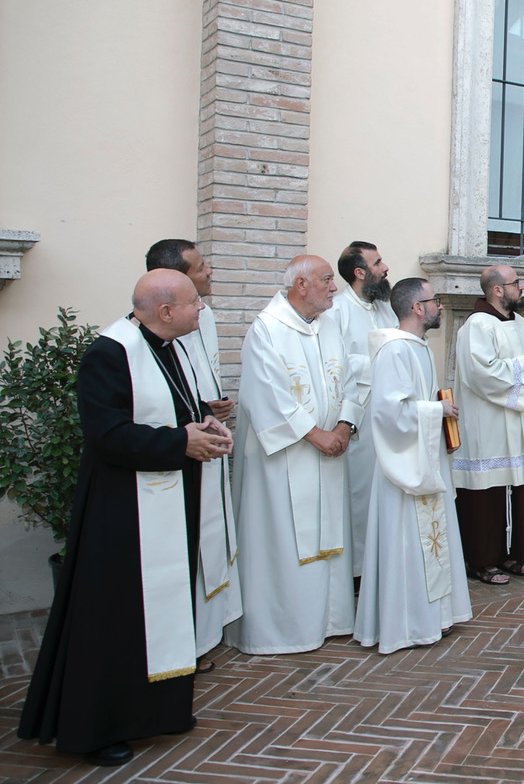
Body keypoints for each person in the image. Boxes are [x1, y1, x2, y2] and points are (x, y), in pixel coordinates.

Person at [18, 270, 233, 767]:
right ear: (165, 311)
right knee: (114, 618)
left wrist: (201, 421)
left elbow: (169, 409)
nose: (201, 308)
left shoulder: (169, 347)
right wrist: (181, 441)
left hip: (165, 501)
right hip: (121, 512)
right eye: (193, 302)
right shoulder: (110, 353)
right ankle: (97, 729)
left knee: (159, 613)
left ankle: (157, 711)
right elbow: (106, 434)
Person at [225, 255, 364, 655]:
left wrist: (344, 427)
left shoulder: (330, 324)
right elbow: (264, 395)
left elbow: (352, 380)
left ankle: (331, 620)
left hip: (330, 452)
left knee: (328, 536)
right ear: (301, 285)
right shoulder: (267, 328)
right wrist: (316, 435)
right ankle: (282, 630)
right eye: (326, 279)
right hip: (284, 461)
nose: (334, 287)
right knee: (283, 541)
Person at [354, 278, 473, 652]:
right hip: (404, 469)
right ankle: (406, 626)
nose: (440, 306)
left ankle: (434, 617)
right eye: (434, 300)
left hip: (425, 458)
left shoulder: (418, 347)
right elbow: (389, 413)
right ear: (418, 308)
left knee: (432, 541)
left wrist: (439, 416)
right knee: (406, 543)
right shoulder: (394, 350)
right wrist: (438, 410)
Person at [144, 239, 242, 668]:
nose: (209, 272)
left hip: (204, 440)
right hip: (173, 457)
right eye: (201, 267)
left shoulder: (205, 314)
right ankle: (183, 643)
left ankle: (206, 633)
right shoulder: (141, 339)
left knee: (210, 540)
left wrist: (209, 407)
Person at [451, 265, 524, 585]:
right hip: (488, 422)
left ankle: (514, 553)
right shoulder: (476, 325)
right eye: (515, 283)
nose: (521, 287)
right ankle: (482, 561)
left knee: (518, 484)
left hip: (518, 421)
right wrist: (523, 365)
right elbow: (479, 374)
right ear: (497, 290)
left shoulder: (519, 322)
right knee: (488, 490)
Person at [330, 241, 396, 579]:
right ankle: (357, 571)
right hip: (359, 418)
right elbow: (335, 366)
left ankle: (383, 563)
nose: (385, 268)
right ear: (359, 272)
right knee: (359, 493)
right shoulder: (337, 311)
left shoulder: (384, 308)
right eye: (378, 263)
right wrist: (380, 364)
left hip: (389, 415)